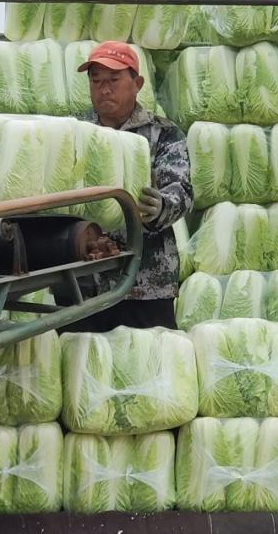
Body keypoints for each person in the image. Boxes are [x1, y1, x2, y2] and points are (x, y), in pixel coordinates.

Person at [74, 40, 193, 330]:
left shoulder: (163, 133)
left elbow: (182, 191)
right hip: (82, 281)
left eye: (114, 80)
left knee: (151, 367)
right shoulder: (75, 132)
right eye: (96, 80)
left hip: (145, 283)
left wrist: (161, 206)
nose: (104, 89)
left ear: (137, 83)